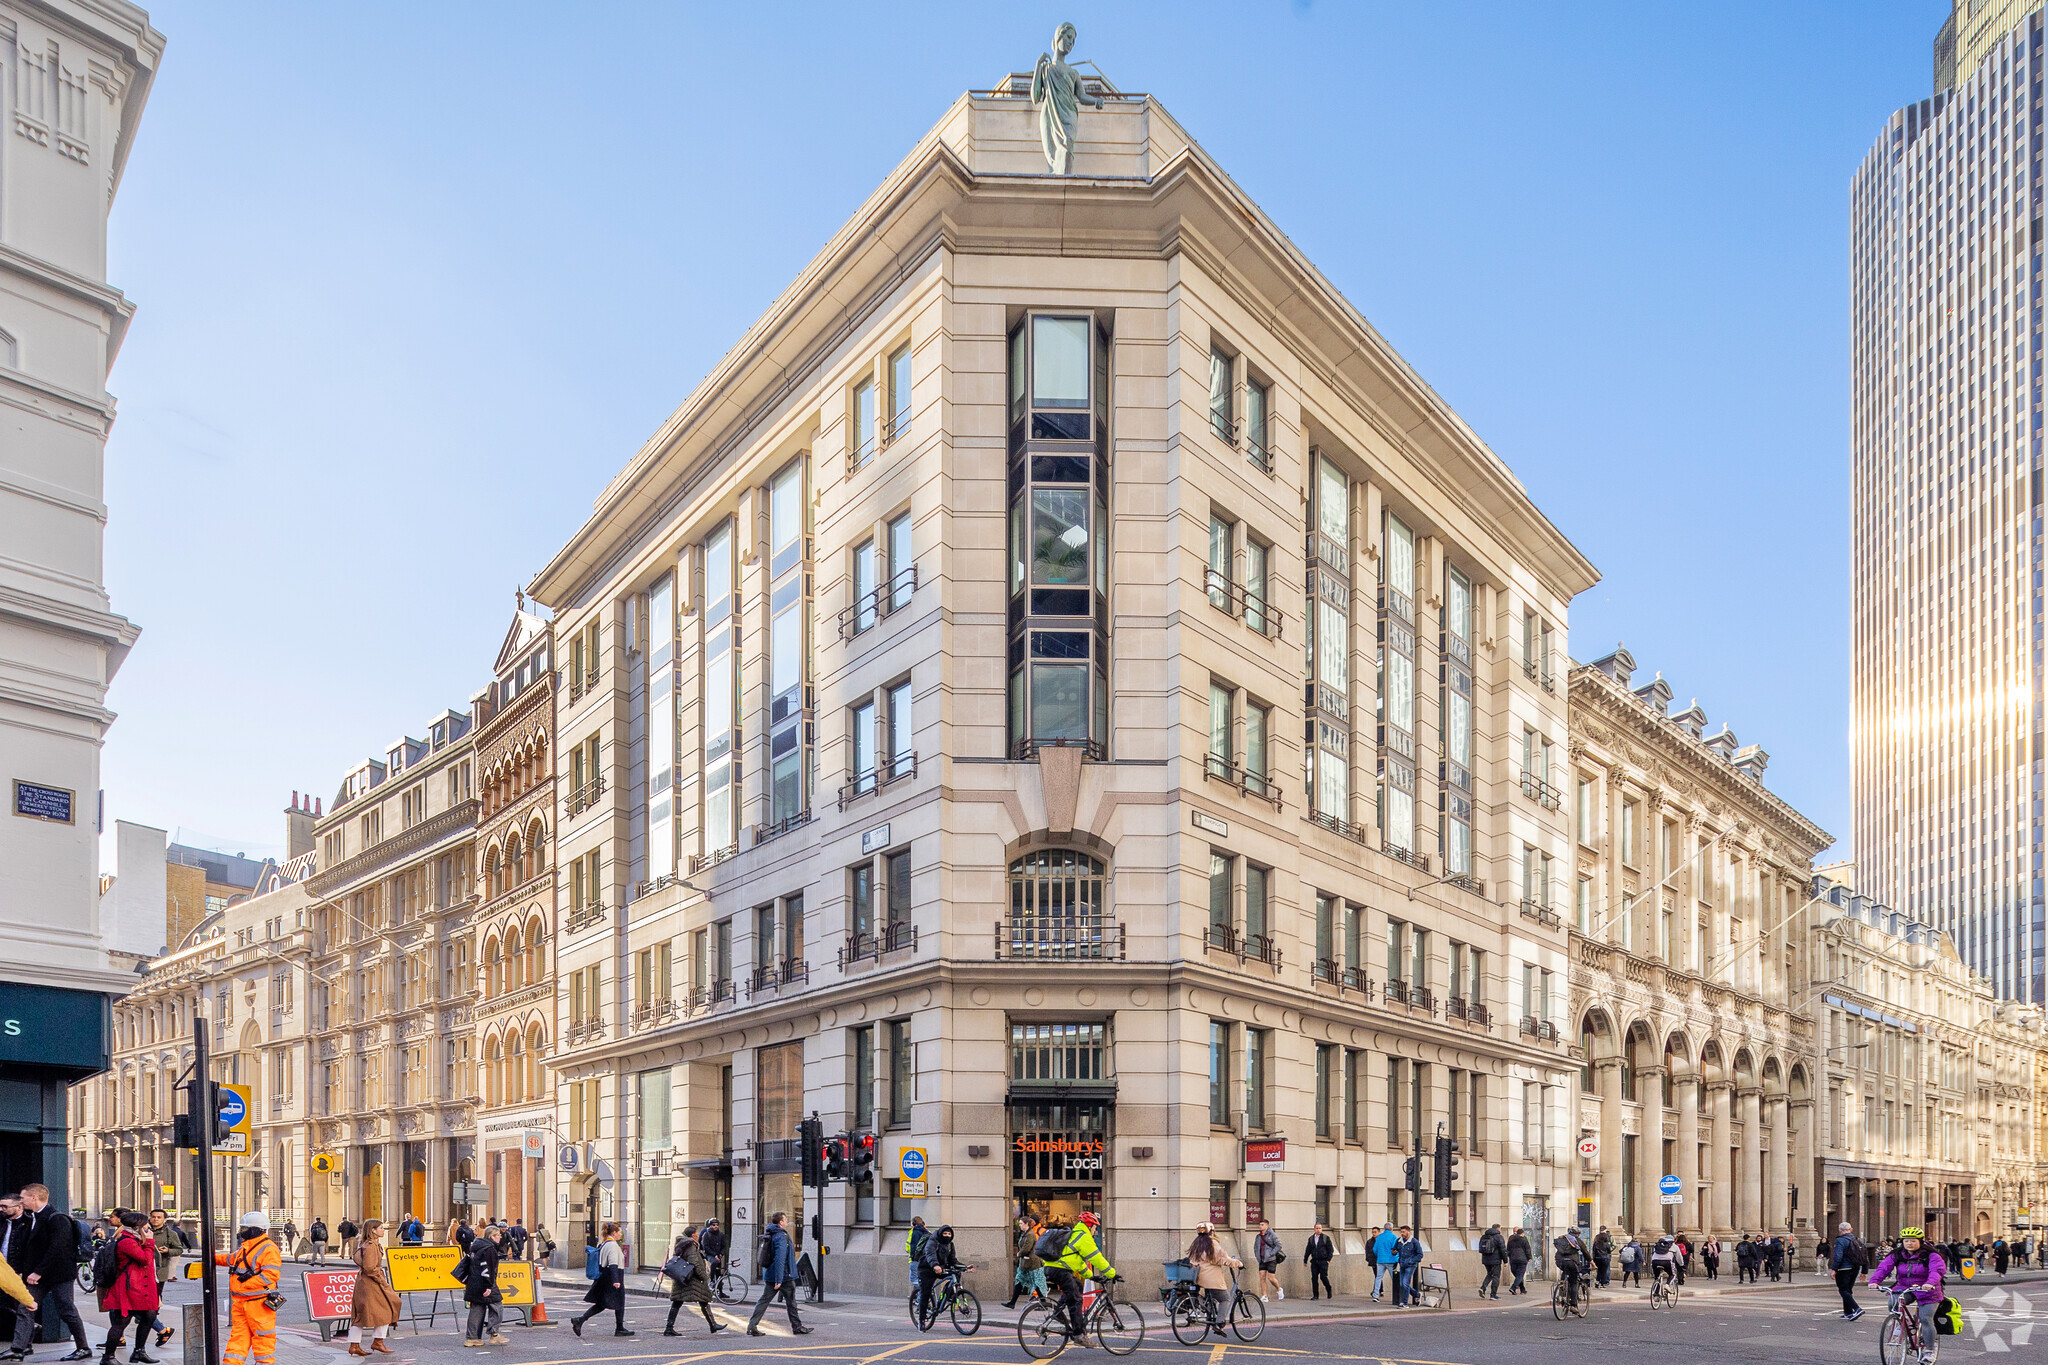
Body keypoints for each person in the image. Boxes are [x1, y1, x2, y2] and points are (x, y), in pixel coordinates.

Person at [11, 1183, 92, 1361]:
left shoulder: (57, 1218)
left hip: (58, 1275)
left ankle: (83, 1348)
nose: (20, 1201)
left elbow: (58, 1248)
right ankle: (19, 1348)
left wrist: (38, 1272)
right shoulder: (32, 1217)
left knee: (67, 1310)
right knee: (26, 1307)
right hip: (38, 1275)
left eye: (23, 1197)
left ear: (34, 1197)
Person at [1868, 1228, 1946, 1364]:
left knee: (1926, 1319)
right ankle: (1900, 1323)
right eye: (1906, 1241)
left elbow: (1937, 1270)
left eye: (1913, 1241)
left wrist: (1929, 1283)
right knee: (1893, 1301)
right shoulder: (1897, 1254)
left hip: (1928, 1289)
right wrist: (1874, 1281)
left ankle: (1929, 1351)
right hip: (1905, 1287)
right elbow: (1884, 1267)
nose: (1909, 1243)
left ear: (1920, 1242)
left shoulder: (1931, 1255)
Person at [95, 1211, 158, 1365]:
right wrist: (149, 1242)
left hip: (142, 1287)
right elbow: (144, 1259)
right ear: (137, 1227)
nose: (149, 1227)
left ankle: (139, 1351)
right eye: (146, 1225)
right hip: (129, 1288)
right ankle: (108, 1357)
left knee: (150, 1316)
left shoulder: (135, 1238)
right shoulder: (127, 1241)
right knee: (121, 1321)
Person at [1046, 1211, 1116, 1345]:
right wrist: (1112, 1273)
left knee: (1077, 1285)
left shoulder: (1075, 1233)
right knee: (1076, 1300)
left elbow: (1077, 1262)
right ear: (1089, 1225)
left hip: (1053, 1268)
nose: (1095, 1230)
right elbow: (1096, 1257)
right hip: (1060, 1270)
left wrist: (1091, 1276)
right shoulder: (1083, 1236)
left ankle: (1058, 1312)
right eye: (1095, 1227)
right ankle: (1079, 1335)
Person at [742, 1214, 808, 1338]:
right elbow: (780, 1258)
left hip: (770, 1274)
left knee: (763, 1301)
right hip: (783, 1276)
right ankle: (797, 1327)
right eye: (785, 1219)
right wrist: (779, 1279)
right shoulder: (781, 1236)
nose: (787, 1220)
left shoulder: (771, 1233)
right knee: (791, 1303)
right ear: (781, 1222)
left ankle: (752, 1326)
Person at [342, 1218, 397, 1358]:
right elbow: (370, 1268)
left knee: (365, 1314)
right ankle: (373, 1342)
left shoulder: (369, 1244)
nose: (383, 1230)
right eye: (381, 1228)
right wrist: (382, 1281)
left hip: (367, 1283)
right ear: (373, 1230)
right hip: (370, 1284)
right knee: (385, 1310)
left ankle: (358, 1345)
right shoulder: (371, 1246)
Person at [572, 1223, 635, 1338]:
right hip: (612, 1276)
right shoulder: (612, 1245)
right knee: (618, 1302)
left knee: (602, 1303)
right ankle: (619, 1328)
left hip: (605, 1275)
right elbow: (613, 1263)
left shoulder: (604, 1243)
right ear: (614, 1233)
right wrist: (616, 1280)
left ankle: (580, 1320)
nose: (621, 1234)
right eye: (619, 1232)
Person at [662, 1227, 724, 1337]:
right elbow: (694, 1262)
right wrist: (703, 1275)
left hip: (683, 1277)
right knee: (702, 1299)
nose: (698, 1235)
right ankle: (712, 1325)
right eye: (696, 1233)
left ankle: (669, 1327)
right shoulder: (690, 1245)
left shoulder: (682, 1243)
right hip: (691, 1279)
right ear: (692, 1235)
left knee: (679, 1301)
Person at [914, 1224, 971, 1329]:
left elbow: (953, 1260)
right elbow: (930, 1254)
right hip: (927, 1269)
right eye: (945, 1233)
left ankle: (949, 1296)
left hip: (941, 1268)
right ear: (940, 1233)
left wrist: (965, 1267)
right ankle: (921, 1321)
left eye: (949, 1234)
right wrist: (935, 1265)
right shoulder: (933, 1241)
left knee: (956, 1273)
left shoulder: (950, 1244)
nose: (947, 1236)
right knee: (925, 1293)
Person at [1186, 1224, 1240, 1335]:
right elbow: (1222, 1259)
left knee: (1211, 1297)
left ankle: (1209, 1313)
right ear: (1211, 1232)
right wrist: (1238, 1263)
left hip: (1198, 1277)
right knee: (1225, 1299)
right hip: (1211, 1278)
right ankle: (1219, 1324)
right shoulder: (1212, 1243)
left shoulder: (1196, 1244)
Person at [458, 1223, 505, 1347]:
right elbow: (487, 1268)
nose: (500, 1237)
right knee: (497, 1305)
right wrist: (489, 1286)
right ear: (492, 1236)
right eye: (499, 1235)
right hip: (485, 1283)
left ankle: (472, 1338)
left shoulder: (476, 1246)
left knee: (477, 1309)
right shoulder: (489, 1249)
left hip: (473, 1283)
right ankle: (494, 1334)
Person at [143, 1210, 183, 1350]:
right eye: (153, 1217)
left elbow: (178, 1249)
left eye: (159, 1217)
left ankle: (154, 1320)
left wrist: (168, 1251)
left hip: (159, 1273)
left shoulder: (170, 1234)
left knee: (153, 1301)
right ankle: (153, 1320)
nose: (155, 1219)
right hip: (144, 1271)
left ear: (164, 1219)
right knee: (146, 1303)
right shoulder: (144, 1230)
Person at [1005, 1217, 1045, 1310]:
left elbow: (1027, 1248)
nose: (1020, 1225)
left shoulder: (1030, 1234)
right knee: (1019, 1281)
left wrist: (1019, 1253)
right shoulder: (1025, 1234)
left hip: (1032, 1263)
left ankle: (1044, 1303)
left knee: (1036, 1284)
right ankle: (1012, 1302)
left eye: (1021, 1223)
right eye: (1020, 1224)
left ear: (1027, 1224)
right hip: (1026, 1263)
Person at [1831, 1222, 1867, 1320]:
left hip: (1843, 1268)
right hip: (1855, 1268)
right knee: (1848, 1290)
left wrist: (1834, 1269)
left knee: (1843, 1290)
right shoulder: (1858, 1240)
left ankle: (1856, 1309)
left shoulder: (1840, 1241)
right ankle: (1848, 1312)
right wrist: (1864, 1271)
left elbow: (1838, 1256)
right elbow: (1864, 1256)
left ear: (1840, 1230)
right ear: (1851, 1229)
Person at [1552, 1226, 1590, 1310]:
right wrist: (1592, 1263)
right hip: (1572, 1262)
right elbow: (1585, 1252)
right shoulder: (1577, 1241)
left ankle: (1562, 1292)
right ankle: (1573, 1305)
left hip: (1559, 1261)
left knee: (1565, 1272)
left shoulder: (1562, 1239)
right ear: (1577, 1234)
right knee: (1574, 1282)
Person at [1394, 1226, 1424, 1308]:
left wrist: (1411, 1261)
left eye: (1403, 1232)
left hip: (1411, 1265)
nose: (1402, 1233)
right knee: (1402, 1284)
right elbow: (1395, 1249)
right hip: (1402, 1264)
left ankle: (1405, 1303)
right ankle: (1417, 1294)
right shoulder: (1399, 1241)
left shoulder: (1414, 1242)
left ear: (1408, 1232)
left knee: (1405, 1283)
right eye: (1401, 1232)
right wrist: (1394, 1252)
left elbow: (1420, 1254)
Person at [1253, 1221, 1283, 1302]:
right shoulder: (1258, 1236)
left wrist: (1271, 1253)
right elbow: (1256, 1247)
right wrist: (1257, 1256)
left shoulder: (1272, 1234)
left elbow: (1279, 1245)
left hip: (1271, 1259)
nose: (1260, 1226)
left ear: (1267, 1226)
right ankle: (1264, 1295)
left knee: (1271, 1278)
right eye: (1259, 1225)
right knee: (1262, 1277)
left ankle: (1279, 1289)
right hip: (1262, 1259)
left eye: (1262, 1225)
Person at [1304, 1223, 1335, 1300]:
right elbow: (1308, 1250)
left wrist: (1328, 1259)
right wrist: (1305, 1260)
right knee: (1314, 1278)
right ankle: (1315, 1295)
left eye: (1320, 1228)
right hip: (1314, 1261)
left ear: (1322, 1229)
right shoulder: (1311, 1239)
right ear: (1314, 1229)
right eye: (1317, 1228)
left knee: (1323, 1277)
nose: (1318, 1230)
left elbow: (1330, 1250)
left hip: (1323, 1261)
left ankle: (1328, 1289)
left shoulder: (1326, 1238)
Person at [1477, 1223, 1506, 1300]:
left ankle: (1483, 1288)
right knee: (1496, 1277)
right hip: (1495, 1260)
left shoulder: (1484, 1236)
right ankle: (1493, 1295)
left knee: (1490, 1274)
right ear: (1498, 1229)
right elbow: (1503, 1249)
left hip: (1486, 1260)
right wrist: (1505, 1261)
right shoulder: (1498, 1237)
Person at [1370, 1224, 1398, 1301]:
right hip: (1391, 1260)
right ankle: (1397, 1295)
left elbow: (1375, 1249)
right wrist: (1396, 1258)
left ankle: (1375, 1295)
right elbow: (1395, 1249)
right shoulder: (1394, 1237)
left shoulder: (1379, 1237)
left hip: (1380, 1260)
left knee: (1378, 1277)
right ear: (1392, 1228)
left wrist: (1378, 1255)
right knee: (1394, 1279)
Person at [905, 1217, 929, 1297]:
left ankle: (921, 1296)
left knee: (914, 1279)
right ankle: (915, 1295)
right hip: (925, 1259)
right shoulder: (927, 1232)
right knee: (920, 1278)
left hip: (916, 1259)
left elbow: (913, 1246)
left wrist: (913, 1257)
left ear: (914, 1224)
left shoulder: (914, 1232)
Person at [1505, 1228, 1532, 1295]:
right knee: (1520, 1275)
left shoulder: (1511, 1240)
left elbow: (1508, 1250)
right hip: (1522, 1260)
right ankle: (1513, 1287)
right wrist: (1529, 1257)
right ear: (1522, 1234)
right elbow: (1527, 1250)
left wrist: (1508, 1257)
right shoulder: (1524, 1240)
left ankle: (1522, 1289)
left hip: (1513, 1259)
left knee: (1517, 1275)